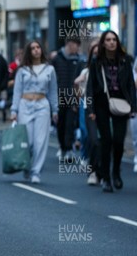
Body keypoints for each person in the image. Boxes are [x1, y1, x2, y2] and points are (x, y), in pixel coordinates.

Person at [86, 30, 136, 193]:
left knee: (119, 141)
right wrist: (91, 109)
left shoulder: (126, 60)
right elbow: (90, 88)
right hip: (102, 104)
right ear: (103, 43)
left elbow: (130, 85)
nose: (112, 42)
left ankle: (116, 172)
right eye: (108, 39)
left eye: (114, 39)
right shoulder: (96, 62)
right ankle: (106, 178)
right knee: (106, 141)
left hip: (121, 103)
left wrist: (134, 107)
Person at [10, 41, 59, 184]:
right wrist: (14, 110)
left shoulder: (50, 69)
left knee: (40, 141)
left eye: (38, 48)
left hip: (43, 106)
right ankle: (26, 165)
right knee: (29, 141)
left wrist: (55, 110)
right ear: (29, 52)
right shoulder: (22, 70)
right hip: (25, 105)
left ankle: (36, 172)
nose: (36, 50)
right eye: (33, 48)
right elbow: (17, 91)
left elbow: (53, 91)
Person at [52, 38, 85, 162]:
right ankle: (62, 147)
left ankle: (69, 148)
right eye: (76, 46)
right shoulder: (56, 59)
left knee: (70, 124)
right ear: (70, 45)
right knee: (60, 124)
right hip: (59, 96)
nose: (77, 49)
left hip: (73, 97)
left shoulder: (79, 60)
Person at [74, 42, 101, 185]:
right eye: (94, 53)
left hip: (105, 109)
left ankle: (103, 170)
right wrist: (77, 91)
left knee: (104, 141)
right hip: (87, 106)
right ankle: (90, 165)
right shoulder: (86, 70)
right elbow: (76, 85)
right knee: (89, 136)